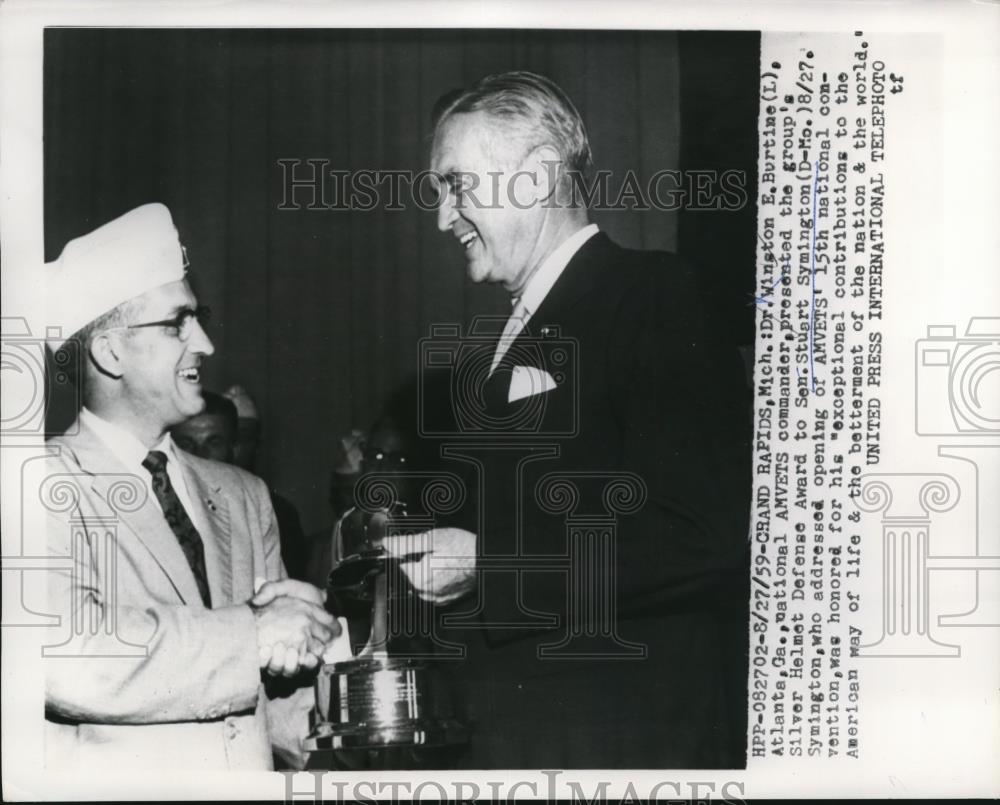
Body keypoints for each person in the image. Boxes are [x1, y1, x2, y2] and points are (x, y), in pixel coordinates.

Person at [381, 71, 752, 768]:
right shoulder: (504, 343)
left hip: (616, 747)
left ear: (540, 175)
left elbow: (701, 531)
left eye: (457, 184)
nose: (442, 217)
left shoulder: (653, 295)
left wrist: (489, 563)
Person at [40, 203, 339, 770]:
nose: (203, 341)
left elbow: (264, 701)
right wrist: (253, 630)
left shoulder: (245, 495)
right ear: (110, 351)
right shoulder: (39, 487)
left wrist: (340, 712)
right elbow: (69, 658)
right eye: (178, 322)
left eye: (198, 317)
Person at [172, 388, 310, 581]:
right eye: (186, 444)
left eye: (214, 443)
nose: (200, 455)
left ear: (235, 449)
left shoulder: (269, 511)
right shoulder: (164, 505)